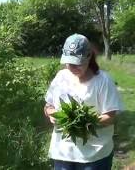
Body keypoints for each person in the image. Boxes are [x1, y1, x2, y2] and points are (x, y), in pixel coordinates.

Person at [44, 33, 124, 170]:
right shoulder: (60, 77)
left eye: (78, 64)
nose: (73, 68)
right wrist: (52, 114)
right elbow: (48, 106)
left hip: (94, 156)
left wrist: (86, 123)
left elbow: (111, 116)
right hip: (63, 153)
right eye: (70, 64)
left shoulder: (103, 81)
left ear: (89, 57)